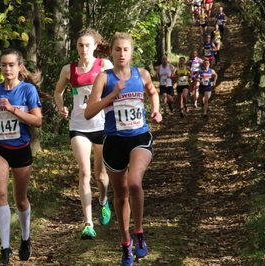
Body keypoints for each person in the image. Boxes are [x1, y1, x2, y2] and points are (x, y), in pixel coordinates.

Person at [84, 32, 162, 266]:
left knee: (134, 183)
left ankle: (138, 232)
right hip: (114, 141)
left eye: (126, 50)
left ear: (131, 52)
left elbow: (152, 91)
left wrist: (156, 110)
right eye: (117, 49)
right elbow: (89, 112)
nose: (121, 53)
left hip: (139, 137)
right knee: (120, 196)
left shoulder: (142, 74)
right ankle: (125, 242)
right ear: (112, 52)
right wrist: (113, 94)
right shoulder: (103, 78)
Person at [0, 48, 43, 266]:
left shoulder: (27, 90)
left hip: (21, 148)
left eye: (11, 65)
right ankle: (5, 249)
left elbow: (37, 121)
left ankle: (25, 238)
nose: (7, 69)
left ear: (20, 67)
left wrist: (14, 110)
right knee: (0, 193)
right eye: (3, 65)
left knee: (20, 200)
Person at [54, 28, 113, 240]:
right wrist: (61, 107)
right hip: (79, 126)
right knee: (84, 173)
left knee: (101, 176)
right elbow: (58, 92)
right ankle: (88, 223)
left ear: (95, 46)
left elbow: (116, 88)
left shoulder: (104, 65)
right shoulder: (68, 70)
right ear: (76, 47)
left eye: (88, 45)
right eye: (80, 45)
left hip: (102, 125)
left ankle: (103, 202)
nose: (84, 49)